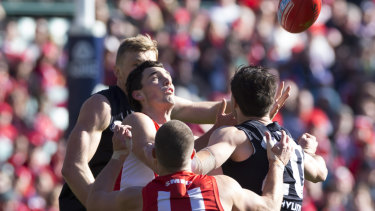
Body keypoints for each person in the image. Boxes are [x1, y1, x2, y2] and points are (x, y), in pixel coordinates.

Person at [59, 34, 241, 210]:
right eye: (136, 64)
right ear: (118, 72)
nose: (142, 70)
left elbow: (211, 110)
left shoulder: (157, 100)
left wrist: (257, 104)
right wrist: (100, 204)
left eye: (149, 65)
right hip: (84, 202)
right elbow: (73, 167)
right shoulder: (102, 105)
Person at [193, 65, 328, 211]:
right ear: (271, 103)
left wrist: (215, 130)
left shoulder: (233, 136)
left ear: (234, 102)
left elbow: (194, 165)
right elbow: (321, 172)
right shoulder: (288, 144)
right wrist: (307, 152)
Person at [86, 119, 294, 211]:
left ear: (154, 155)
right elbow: (270, 207)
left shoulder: (143, 196)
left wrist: (119, 154)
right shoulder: (222, 188)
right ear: (193, 153)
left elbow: (94, 201)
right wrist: (276, 163)